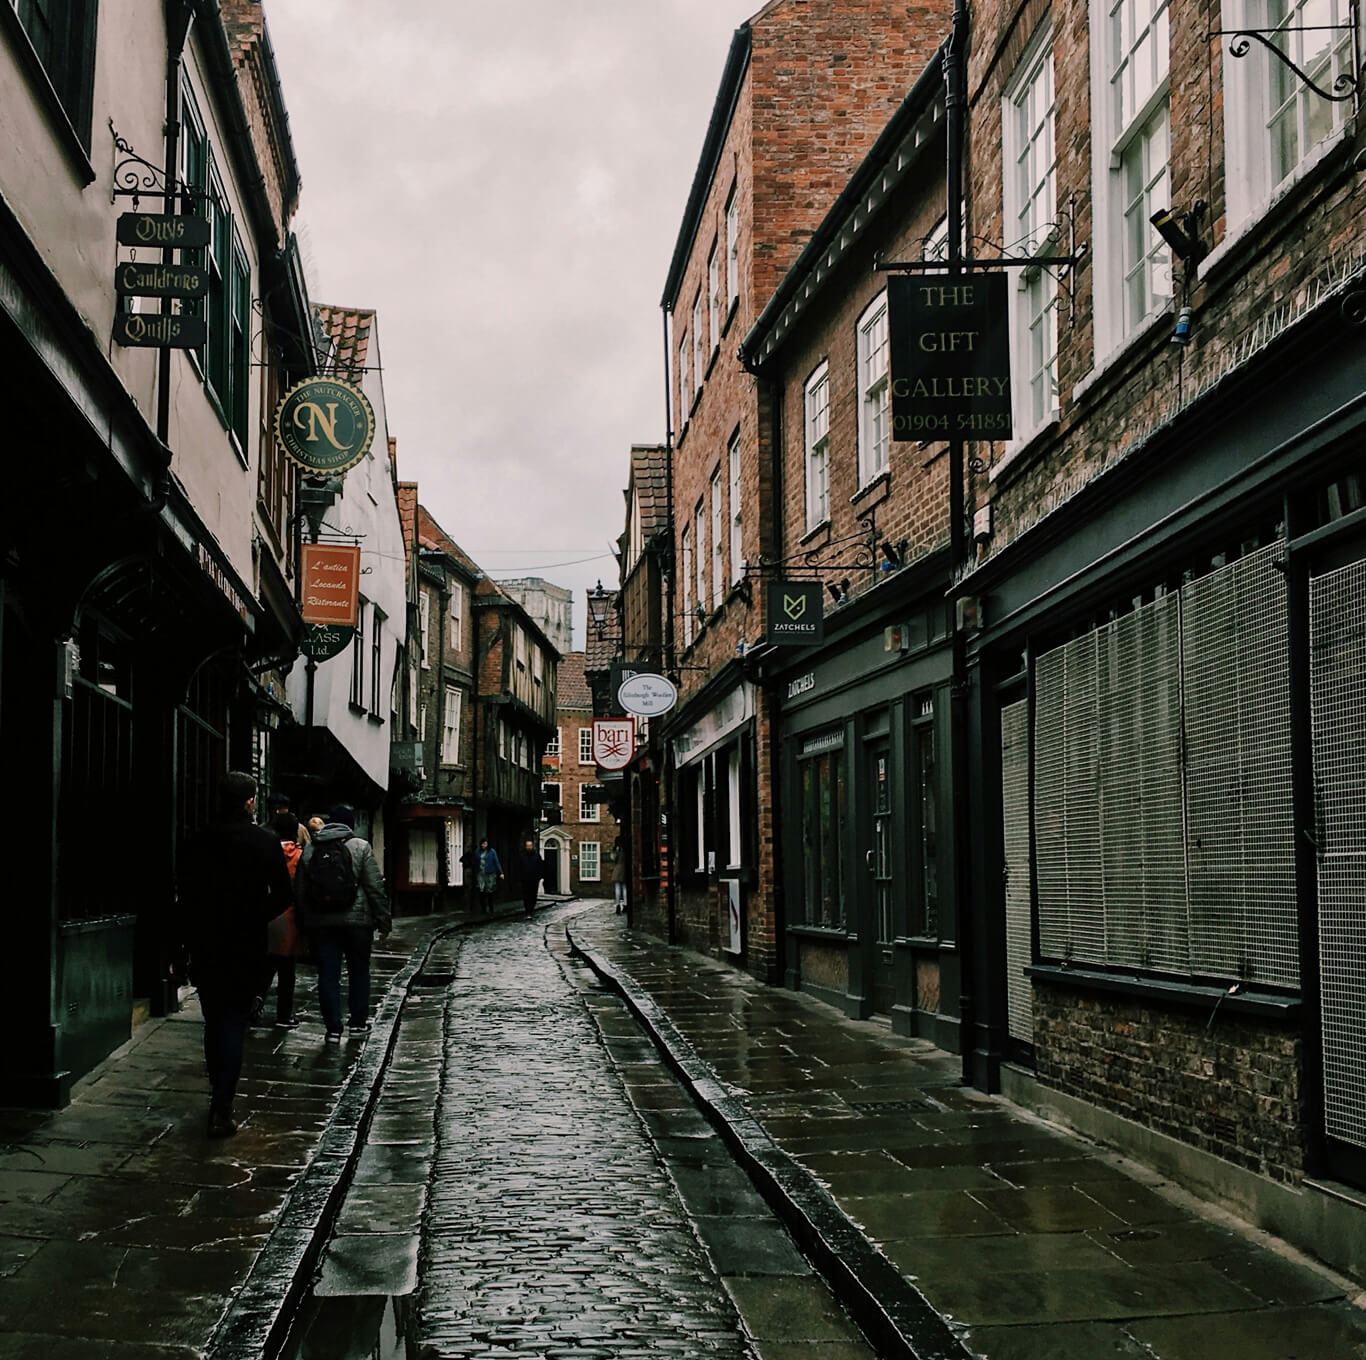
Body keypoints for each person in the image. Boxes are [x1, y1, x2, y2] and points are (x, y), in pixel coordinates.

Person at [179, 771, 293, 1137]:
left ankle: (217, 1093)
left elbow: (186, 894)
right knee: (232, 1021)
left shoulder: (198, 840)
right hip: (245, 943)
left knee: (214, 1020)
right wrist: (256, 914)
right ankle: (221, 1108)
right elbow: (283, 895)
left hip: (206, 941)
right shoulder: (263, 841)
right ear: (249, 801)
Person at [297, 804, 390, 1043]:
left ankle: (333, 1030)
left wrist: (304, 923)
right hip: (358, 923)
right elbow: (374, 887)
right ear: (351, 825)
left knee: (328, 975)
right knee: (359, 972)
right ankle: (357, 1024)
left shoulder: (310, 849)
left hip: (322, 922)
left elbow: (300, 891)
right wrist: (383, 920)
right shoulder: (360, 847)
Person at [251, 812, 307, 1029]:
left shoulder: (263, 851)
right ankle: (284, 1015)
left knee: (264, 966)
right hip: (289, 916)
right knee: (286, 971)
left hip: (263, 914)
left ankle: (254, 1003)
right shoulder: (301, 856)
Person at [516, 838, 545, 917]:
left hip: (534, 879)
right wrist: (520, 877)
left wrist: (540, 877)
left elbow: (540, 866)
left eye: (530, 846)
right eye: (527, 846)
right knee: (526, 896)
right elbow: (518, 867)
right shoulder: (522, 855)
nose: (529, 847)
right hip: (525, 879)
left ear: (532, 846)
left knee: (533, 895)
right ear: (525, 846)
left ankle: (531, 909)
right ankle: (527, 910)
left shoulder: (536, 855)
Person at [475, 838, 503, 912]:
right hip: (481, 873)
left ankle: (491, 906)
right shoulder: (477, 851)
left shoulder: (492, 852)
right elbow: (475, 861)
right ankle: (483, 908)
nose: (484, 845)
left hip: (490, 873)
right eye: (483, 844)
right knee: (481, 889)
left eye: (486, 844)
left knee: (489, 890)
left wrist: (500, 872)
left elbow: (496, 862)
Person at [612, 844, 628, 914]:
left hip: (618, 870)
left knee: (617, 889)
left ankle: (618, 905)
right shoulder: (626, 850)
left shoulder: (618, 850)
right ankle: (626, 905)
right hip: (625, 869)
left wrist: (614, 851)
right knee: (625, 889)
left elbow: (613, 858)